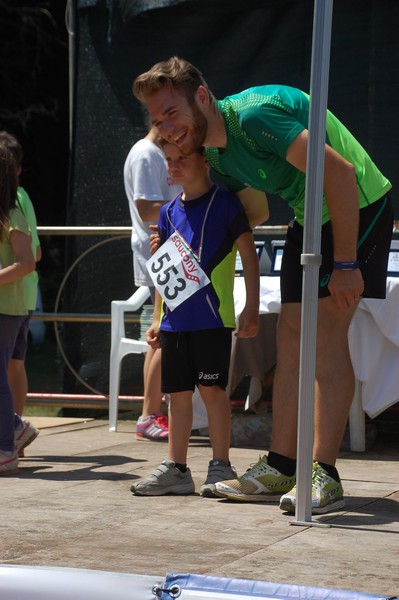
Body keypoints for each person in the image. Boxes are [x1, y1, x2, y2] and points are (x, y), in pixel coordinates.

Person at [133, 56, 394, 513]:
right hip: (307, 215)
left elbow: (340, 174)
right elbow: (252, 214)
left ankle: (324, 475)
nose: (168, 129)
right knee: (290, 336)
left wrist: (348, 262)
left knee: (325, 337)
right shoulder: (213, 154)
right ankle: (281, 464)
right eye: (158, 121)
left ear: (201, 96)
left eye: (172, 113)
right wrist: (180, 237)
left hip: (358, 204)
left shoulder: (253, 116)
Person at [130, 141, 260, 497]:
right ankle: (176, 468)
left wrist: (251, 305)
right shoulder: (168, 211)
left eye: (181, 159)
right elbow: (164, 267)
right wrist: (157, 316)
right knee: (177, 395)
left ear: (205, 161)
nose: (173, 167)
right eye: (169, 161)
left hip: (212, 319)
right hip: (175, 321)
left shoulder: (226, 204)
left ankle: (221, 464)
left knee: (214, 391)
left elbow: (249, 257)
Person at [124, 125, 181, 441]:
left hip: (167, 250)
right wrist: (191, 210)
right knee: (163, 333)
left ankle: (151, 412)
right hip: (160, 251)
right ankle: (149, 414)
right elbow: (146, 207)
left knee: (160, 334)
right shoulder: (146, 153)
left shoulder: (156, 153)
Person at [0, 132, 42, 430]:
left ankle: (12, 431)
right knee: (14, 365)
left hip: (15, 297)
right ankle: (13, 431)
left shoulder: (16, 200)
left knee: (10, 367)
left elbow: (31, 255)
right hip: (20, 296)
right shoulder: (19, 198)